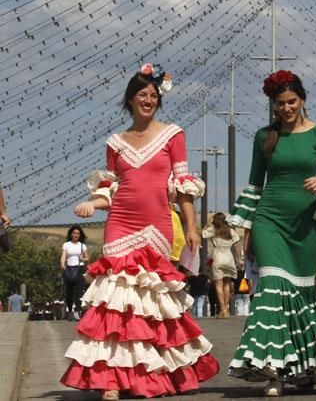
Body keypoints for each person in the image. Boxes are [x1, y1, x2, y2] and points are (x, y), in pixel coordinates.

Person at [62, 64, 218, 399]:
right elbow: (111, 188)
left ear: (159, 100)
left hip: (157, 226)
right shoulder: (115, 142)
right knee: (118, 302)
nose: (148, 99)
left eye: (153, 95)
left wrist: (191, 226)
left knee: (149, 303)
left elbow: (182, 186)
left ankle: (152, 375)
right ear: (130, 99)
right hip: (119, 224)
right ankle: (112, 382)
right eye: (142, 94)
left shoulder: (173, 134)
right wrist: (92, 203)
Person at [228, 70, 316, 396]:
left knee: (301, 297)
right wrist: (246, 230)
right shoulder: (264, 137)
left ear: (302, 100)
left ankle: (305, 367)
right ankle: (271, 371)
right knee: (272, 289)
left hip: (305, 225)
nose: (286, 108)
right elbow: (256, 184)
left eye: (291, 102)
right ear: (272, 105)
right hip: (269, 220)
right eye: (279, 104)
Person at [202, 212, 241, 319]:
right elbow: (237, 244)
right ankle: (226, 310)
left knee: (218, 285)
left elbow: (203, 234)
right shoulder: (230, 231)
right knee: (227, 284)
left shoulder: (214, 230)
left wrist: (208, 223)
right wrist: (239, 259)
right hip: (229, 258)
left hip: (218, 258)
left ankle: (222, 309)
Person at [60, 225, 89, 321]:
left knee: (79, 292)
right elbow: (63, 256)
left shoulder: (82, 246)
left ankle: (77, 311)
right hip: (69, 269)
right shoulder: (66, 245)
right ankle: (69, 311)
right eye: (74, 233)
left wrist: (82, 259)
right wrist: (62, 265)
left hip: (79, 269)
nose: (76, 235)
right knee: (69, 292)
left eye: (78, 233)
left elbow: (87, 258)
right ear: (71, 234)